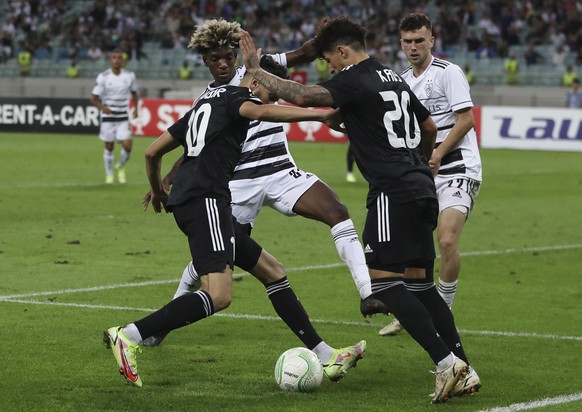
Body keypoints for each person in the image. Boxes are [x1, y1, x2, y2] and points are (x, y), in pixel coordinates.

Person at [103, 20, 365, 389]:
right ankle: (129, 334)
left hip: (199, 200)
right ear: (255, 82)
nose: (267, 89)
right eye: (265, 85)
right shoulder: (236, 98)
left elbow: (151, 152)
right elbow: (265, 112)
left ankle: (326, 356)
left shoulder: (204, 101)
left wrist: (161, 190)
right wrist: (323, 115)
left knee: (273, 271)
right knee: (219, 295)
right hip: (207, 200)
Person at [241, 16, 477, 403]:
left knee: (384, 283)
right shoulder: (392, 76)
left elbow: (300, 95)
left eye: (328, 61)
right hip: (421, 186)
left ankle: (447, 363)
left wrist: (254, 69)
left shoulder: (353, 76)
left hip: (391, 189)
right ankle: (464, 368)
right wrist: (417, 161)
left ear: (341, 51)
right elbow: (431, 126)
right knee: (420, 285)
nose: (329, 69)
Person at [146, 18, 383, 322]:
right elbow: (195, 152)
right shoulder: (205, 100)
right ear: (205, 59)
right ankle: (170, 314)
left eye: (228, 55)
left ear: (235, 51)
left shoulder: (259, 65)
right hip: (239, 183)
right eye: (215, 58)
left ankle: (367, 293)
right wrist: (165, 182)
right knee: (221, 252)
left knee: (336, 210)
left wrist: (326, 34)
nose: (223, 63)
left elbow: (307, 52)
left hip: (281, 172)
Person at [377, 11, 482, 387]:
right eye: (407, 42)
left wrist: (436, 153)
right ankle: (418, 311)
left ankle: (443, 307)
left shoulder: (448, 73)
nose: (413, 47)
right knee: (413, 257)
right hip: (424, 174)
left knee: (447, 239)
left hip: (457, 166)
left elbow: (467, 120)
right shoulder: (401, 82)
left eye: (419, 40)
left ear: (432, 40)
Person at [91, 49, 139, 184]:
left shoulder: (129, 76)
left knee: (128, 145)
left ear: (123, 61)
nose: (117, 60)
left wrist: (136, 108)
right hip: (108, 117)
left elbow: (134, 93)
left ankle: (121, 167)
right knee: (109, 146)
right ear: (110, 60)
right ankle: (109, 174)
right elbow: (94, 98)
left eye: (119, 58)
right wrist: (102, 108)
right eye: (114, 58)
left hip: (123, 116)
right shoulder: (104, 77)